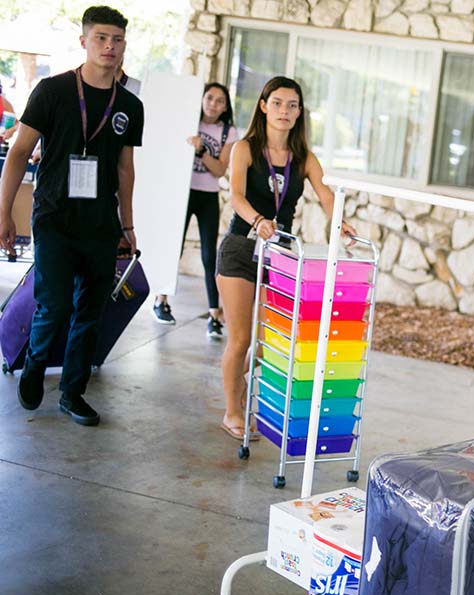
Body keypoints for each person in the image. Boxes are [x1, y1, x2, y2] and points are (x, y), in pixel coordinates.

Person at [0, 5, 143, 427]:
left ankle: (72, 393)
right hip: (54, 218)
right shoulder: (52, 91)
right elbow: (20, 153)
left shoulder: (129, 105)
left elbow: (124, 168)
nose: (109, 46)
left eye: (116, 39)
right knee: (55, 305)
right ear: (84, 41)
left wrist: (127, 225)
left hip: (100, 225)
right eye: (101, 38)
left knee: (90, 313)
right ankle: (35, 363)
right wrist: (4, 214)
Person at [216, 76, 354, 440]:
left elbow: (326, 196)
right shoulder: (244, 148)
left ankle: (238, 390)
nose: (284, 111)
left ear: (300, 113)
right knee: (240, 339)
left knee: (265, 343)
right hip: (241, 248)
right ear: (263, 105)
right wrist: (259, 220)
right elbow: (237, 197)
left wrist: (339, 222)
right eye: (277, 103)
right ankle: (233, 412)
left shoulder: (304, 158)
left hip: (279, 255)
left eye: (292, 105)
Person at [151, 83, 237, 338]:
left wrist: (200, 150)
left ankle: (214, 315)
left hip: (208, 196)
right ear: (201, 99)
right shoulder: (188, 121)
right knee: (173, 248)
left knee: (210, 256)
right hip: (183, 192)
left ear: (225, 106)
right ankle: (160, 301)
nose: (213, 104)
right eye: (209, 98)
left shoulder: (228, 131)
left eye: (219, 101)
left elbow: (220, 170)